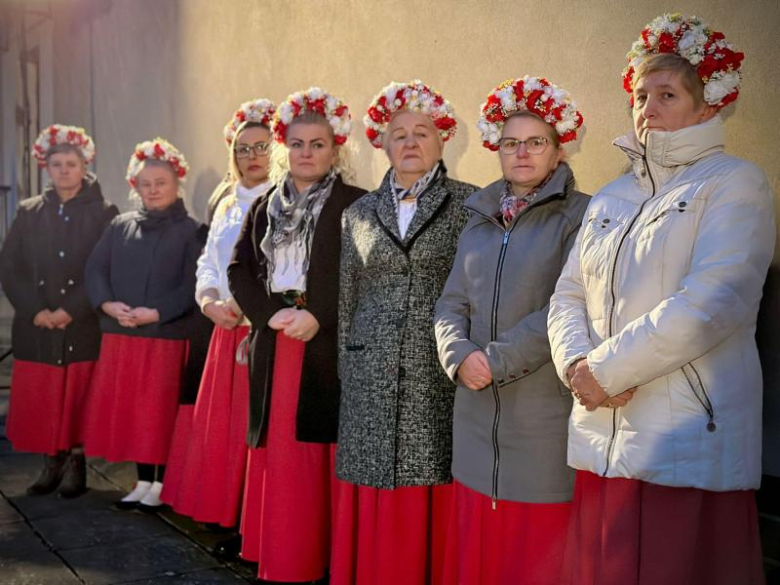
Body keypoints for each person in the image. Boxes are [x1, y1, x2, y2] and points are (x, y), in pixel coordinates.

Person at [547, 14, 772, 585]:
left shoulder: (734, 183)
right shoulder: (612, 196)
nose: (648, 107)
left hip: (685, 438)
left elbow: (714, 300)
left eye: (667, 94)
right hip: (604, 434)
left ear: (707, 108)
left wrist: (606, 367)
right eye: (641, 95)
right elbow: (567, 293)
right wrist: (577, 365)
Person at [434, 76, 587, 584]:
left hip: (541, 412)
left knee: (536, 551)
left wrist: (494, 361)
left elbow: (567, 307)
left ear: (558, 147)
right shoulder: (477, 217)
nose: (522, 153)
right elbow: (450, 303)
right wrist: (457, 356)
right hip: (475, 413)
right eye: (510, 143)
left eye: (535, 141)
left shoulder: (582, 216)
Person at [332, 80, 475, 585]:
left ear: (442, 142)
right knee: (376, 484)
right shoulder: (359, 214)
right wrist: (349, 365)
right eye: (399, 134)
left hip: (434, 371)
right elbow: (348, 299)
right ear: (383, 144)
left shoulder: (470, 204)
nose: (410, 142)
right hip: (369, 370)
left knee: (431, 477)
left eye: (422, 133)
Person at [228, 87, 365, 583]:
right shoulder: (265, 205)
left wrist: (320, 315)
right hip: (277, 340)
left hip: (324, 346)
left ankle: (324, 560)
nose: (307, 153)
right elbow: (240, 268)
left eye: (319, 144)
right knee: (282, 455)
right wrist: (268, 315)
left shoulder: (357, 206)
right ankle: (285, 556)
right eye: (299, 143)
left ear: (336, 149)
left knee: (318, 454)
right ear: (285, 147)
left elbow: (363, 274)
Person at [161, 99, 276, 558]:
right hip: (223, 329)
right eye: (243, 148)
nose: (252, 156)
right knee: (226, 432)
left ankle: (257, 523)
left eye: (262, 146)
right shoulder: (228, 201)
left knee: (257, 431)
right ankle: (229, 514)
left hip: (259, 329)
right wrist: (208, 301)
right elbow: (209, 261)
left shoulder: (285, 198)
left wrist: (248, 308)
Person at [83, 138, 204, 512]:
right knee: (135, 412)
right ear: (135, 186)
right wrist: (107, 304)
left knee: (159, 412)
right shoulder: (120, 225)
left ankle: (163, 482)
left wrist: (158, 312)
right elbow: (95, 268)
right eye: (145, 184)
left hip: (164, 336)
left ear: (176, 183)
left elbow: (193, 284)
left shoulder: (191, 230)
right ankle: (143, 479)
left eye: (161, 183)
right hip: (123, 336)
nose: (152, 191)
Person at [0, 125, 117, 498]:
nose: (64, 170)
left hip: (80, 324)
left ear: (85, 166)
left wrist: (70, 309)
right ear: (45, 168)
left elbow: (104, 266)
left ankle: (76, 463)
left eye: (72, 163)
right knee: (46, 396)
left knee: (77, 393)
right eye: (57, 164)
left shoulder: (103, 212)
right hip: (37, 325)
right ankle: (51, 462)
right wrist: (34, 310)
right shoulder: (29, 212)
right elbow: (10, 267)